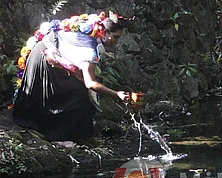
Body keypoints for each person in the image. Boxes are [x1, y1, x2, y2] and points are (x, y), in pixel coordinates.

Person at [12, 11, 133, 142]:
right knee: (78, 94)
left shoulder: (90, 27)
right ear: (104, 33)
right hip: (44, 57)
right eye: (115, 37)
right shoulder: (89, 49)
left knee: (75, 88)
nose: (116, 42)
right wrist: (116, 94)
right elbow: (90, 83)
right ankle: (62, 136)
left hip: (46, 53)